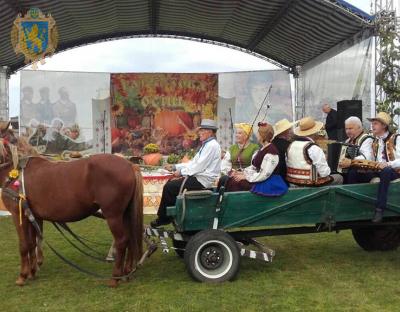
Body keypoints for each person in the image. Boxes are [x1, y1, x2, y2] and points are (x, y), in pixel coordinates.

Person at [151, 119, 221, 227]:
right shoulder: (207, 145)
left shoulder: (212, 146)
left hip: (202, 181)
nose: (199, 133)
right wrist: (175, 167)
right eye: (200, 130)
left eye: (202, 131)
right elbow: (193, 163)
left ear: (210, 132)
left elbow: (198, 167)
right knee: (171, 184)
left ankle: (165, 218)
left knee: (170, 187)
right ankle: (173, 215)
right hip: (198, 177)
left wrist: (181, 172)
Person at [347, 112, 400, 222]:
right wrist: (362, 164)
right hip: (379, 170)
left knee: (386, 171)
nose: (372, 126)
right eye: (372, 123)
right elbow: (372, 160)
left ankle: (380, 208)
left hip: (395, 171)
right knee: (354, 171)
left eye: (375, 123)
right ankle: (353, 203)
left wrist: (388, 164)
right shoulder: (376, 141)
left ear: (384, 126)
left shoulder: (396, 138)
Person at [224, 122, 288, 196]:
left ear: (262, 136)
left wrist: (246, 177)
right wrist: (242, 173)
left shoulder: (271, 151)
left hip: (269, 182)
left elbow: (265, 174)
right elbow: (254, 166)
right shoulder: (263, 148)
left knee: (237, 182)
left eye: (258, 133)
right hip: (259, 178)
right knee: (231, 180)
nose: (257, 135)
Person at [286, 117, 343, 187]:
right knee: (339, 177)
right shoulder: (313, 148)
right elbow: (325, 173)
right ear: (315, 132)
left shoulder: (291, 145)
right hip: (311, 184)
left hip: (293, 182)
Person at [272, 118, 294, 185]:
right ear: (285, 132)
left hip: (272, 178)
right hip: (285, 179)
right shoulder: (289, 145)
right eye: (289, 129)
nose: (291, 131)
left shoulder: (271, 143)